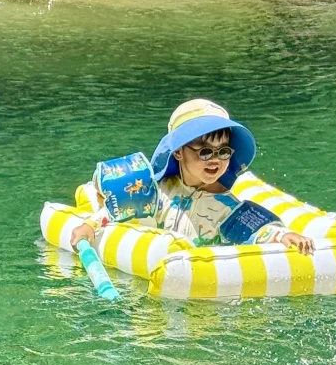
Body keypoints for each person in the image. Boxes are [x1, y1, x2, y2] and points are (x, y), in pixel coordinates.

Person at [71, 98, 314, 254]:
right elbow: (117, 211)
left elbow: (256, 231)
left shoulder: (227, 207)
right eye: (205, 151)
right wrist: (88, 225)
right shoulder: (157, 190)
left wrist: (284, 235)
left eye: (224, 151)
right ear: (178, 152)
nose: (216, 159)